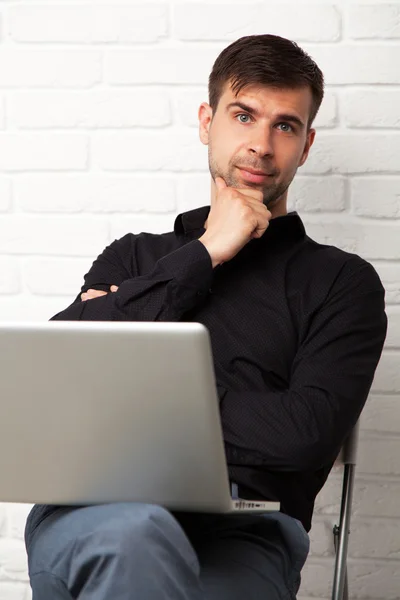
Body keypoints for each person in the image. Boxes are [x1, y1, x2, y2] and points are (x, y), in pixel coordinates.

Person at [24, 34, 387, 600]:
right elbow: (52, 382)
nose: (261, 145)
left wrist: (139, 400)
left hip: (246, 529)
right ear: (206, 121)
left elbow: (306, 435)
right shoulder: (134, 257)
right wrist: (206, 252)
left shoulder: (342, 283)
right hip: (101, 507)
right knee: (134, 537)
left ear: (307, 145)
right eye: (243, 116)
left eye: (284, 126)